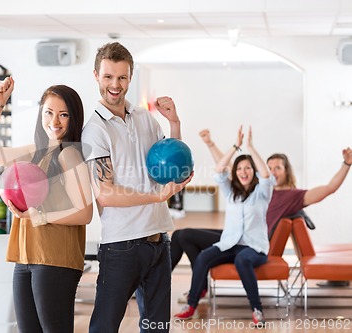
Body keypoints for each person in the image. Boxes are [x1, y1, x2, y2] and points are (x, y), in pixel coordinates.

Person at [81, 42, 193, 333]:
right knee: (104, 327)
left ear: (130, 77)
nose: (115, 85)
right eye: (108, 77)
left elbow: (169, 163)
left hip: (158, 242)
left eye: (122, 77)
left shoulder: (144, 118)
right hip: (122, 245)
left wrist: (174, 123)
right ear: (96, 76)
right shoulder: (95, 130)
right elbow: (105, 192)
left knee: (157, 328)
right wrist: (155, 196)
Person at [171, 129, 352, 300]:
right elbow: (229, 170)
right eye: (269, 167)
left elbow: (329, 189)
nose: (273, 172)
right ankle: (174, 284)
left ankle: (193, 287)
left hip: (251, 243)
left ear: (286, 171)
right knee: (182, 235)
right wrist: (210, 144)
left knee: (185, 236)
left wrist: (346, 164)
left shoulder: (292, 196)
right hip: (233, 236)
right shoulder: (255, 188)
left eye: (278, 168)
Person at [0, 76, 93, 333]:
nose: (54, 121)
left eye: (63, 115)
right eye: (49, 112)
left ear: (74, 119)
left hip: (55, 258)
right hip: (26, 255)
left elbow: (85, 213)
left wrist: (38, 215)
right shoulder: (36, 152)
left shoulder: (70, 153)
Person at [174, 126, 273, 326]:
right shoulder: (231, 192)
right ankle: (191, 305)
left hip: (254, 247)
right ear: (235, 173)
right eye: (239, 169)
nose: (243, 172)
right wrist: (235, 146)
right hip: (230, 243)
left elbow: (266, 174)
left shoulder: (262, 193)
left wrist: (250, 147)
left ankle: (257, 310)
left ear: (253, 171)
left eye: (247, 168)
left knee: (242, 260)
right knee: (203, 257)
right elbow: (220, 170)